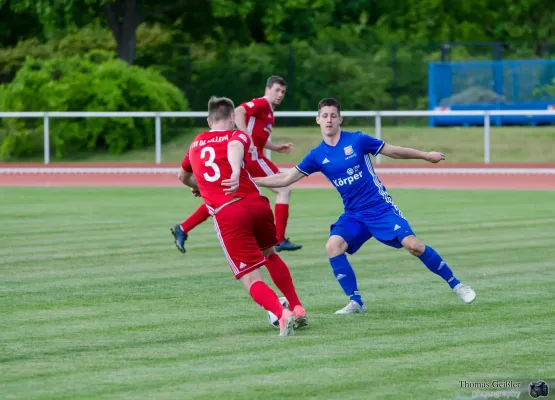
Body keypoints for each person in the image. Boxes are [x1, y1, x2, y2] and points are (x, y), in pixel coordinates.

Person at [252, 98, 477, 314]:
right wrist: (252, 181)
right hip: (354, 215)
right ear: (318, 120)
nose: (329, 120)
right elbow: (285, 178)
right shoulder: (317, 155)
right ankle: (356, 302)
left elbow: (394, 151)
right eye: (325, 116)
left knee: (414, 246)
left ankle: (457, 285)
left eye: (333, 116)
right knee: (333, 246)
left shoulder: (357, 140)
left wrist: (426, 155)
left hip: (380, 209)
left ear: (340, 119)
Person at [178, 96, 307, 335]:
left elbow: (182, 177)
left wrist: (202, 183)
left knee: (249, 279)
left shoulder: (196, 143)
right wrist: (235, 173)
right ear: (231, 118)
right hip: (257, 205)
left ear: (209, 120)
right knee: (270, 255)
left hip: (230, 213)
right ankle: (298, 306)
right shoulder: (238, 134)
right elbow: (235, 145)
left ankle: (282, 314)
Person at [171, 76, 302, 254]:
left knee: (226, 194)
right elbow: (239, 111)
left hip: (249, 154)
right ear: (267, 89)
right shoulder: (261, 103)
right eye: (277, 90)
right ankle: (279, 239)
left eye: (283, 92)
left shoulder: (269, 111)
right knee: (284, 189)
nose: (280, 95)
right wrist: (245, 136)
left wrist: (275, 147)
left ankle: (183, 227)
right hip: (251, 156)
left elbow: (259, 136)